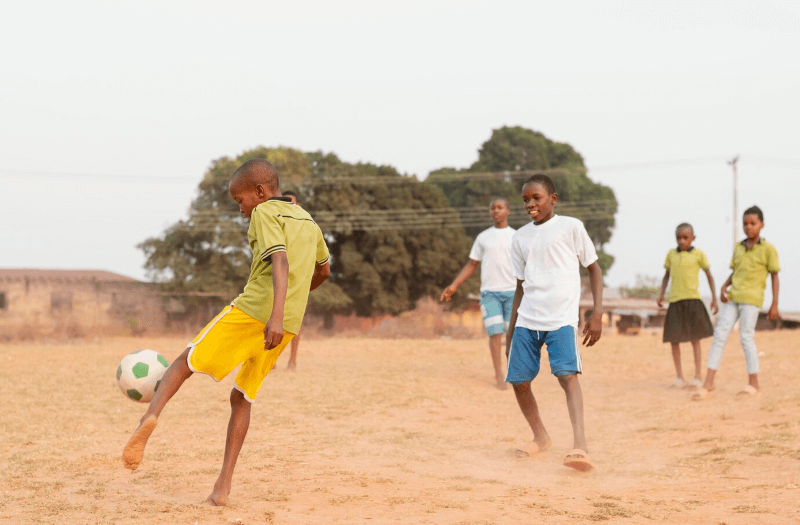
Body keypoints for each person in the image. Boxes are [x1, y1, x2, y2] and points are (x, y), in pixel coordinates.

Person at [122, 159, 330, 506]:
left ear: (261, 192)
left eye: (241, 199)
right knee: (242, 398)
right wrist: (291, 305)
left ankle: (149, 416)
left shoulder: (265, 213)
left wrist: (274, 313)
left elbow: (280, 260)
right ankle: (222, 488)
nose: (241, 209)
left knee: (186, 360)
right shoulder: (308, 220)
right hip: (289, 324)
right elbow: (323, 271)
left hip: (260, 313)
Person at [505, 174, 603, 471]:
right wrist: (511, 331)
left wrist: (597, 312)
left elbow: (594, 269)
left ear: (553, 199)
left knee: (567, 377)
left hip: (561, 318)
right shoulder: (520, 237)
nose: (531, 204)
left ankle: (580, 445)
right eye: (526, 200)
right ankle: (541, 437)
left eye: (537, 198)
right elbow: (520, 286)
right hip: (527, 318)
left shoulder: (571, 227)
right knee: (519, 381)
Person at [693, 205, 780, 400]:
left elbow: (774, 276)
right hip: (734, 297)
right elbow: (736, 271)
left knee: (746, 337)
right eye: (745, 224)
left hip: (752, 299)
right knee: (720, 334)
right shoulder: (739, 248)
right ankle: (709, 381)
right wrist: (724, 286)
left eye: (753, 223)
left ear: (761, 225)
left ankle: (753, 383)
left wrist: (774, 303)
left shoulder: (768, 250)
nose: (749, 227)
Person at [440, 197, 516, 389]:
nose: (496, 211)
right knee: (495, 332)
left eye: (500, 208)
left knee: (512, 335)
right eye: (493, 208)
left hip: (513, 292)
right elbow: (472, 264)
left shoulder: (517, 236)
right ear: (490, 213)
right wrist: (454, 285)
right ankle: (499, 376)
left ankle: (514, 372)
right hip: (490, 293)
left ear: (508, 211)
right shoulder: (483, 237)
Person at [656, 223, 718, 389]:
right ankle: (679, 377)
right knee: (674, 340)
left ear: (693, 238)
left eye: (685, 237)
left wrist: (714, 298)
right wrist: (661, 295)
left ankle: (698, 375)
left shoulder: (699, 255)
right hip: (675, 302)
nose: (682, 241)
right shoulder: (671, 255)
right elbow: (666, 276)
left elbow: (709, 277)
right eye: (679, 238)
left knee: (694, 339)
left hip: (693, 301)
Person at [282, 190, 302, 371]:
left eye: (292, 203)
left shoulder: (304, 226)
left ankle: (292, 360)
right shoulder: (275, 224)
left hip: (297, 280)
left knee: (295, 323)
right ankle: (270, 361)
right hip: (277, 278)